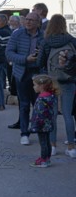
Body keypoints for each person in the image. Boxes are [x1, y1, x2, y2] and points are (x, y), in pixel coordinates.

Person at [36, 14, 76, 158]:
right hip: (69, 80)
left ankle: (52, 146)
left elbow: (39, 63)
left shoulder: (46, 41)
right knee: (67, 115)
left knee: (51, 115)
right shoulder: (72, 40)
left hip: (51, 81)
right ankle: (71, 147)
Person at [5, 12, 43, 144]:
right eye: (27, 19)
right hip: (22, 73)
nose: (28, 22)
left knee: (38, 104)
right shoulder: (17, 34)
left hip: (38, 74)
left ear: (38, 22)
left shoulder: (43, 36)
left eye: (32, 20)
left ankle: (37, 129)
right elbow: (9, 53)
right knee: (24, 104)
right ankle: (24, 133)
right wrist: (25, 59)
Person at [28, 74, 58, 168]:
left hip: (41, 125)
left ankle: (43, 159)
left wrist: (35, 125)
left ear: (41, 86)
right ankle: (47, 158)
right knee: (47, 141)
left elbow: (39, 113)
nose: (33, 87)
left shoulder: (41, 99)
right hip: (48, 123)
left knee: (43, 142)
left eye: (35, 85)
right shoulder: (50, 96)